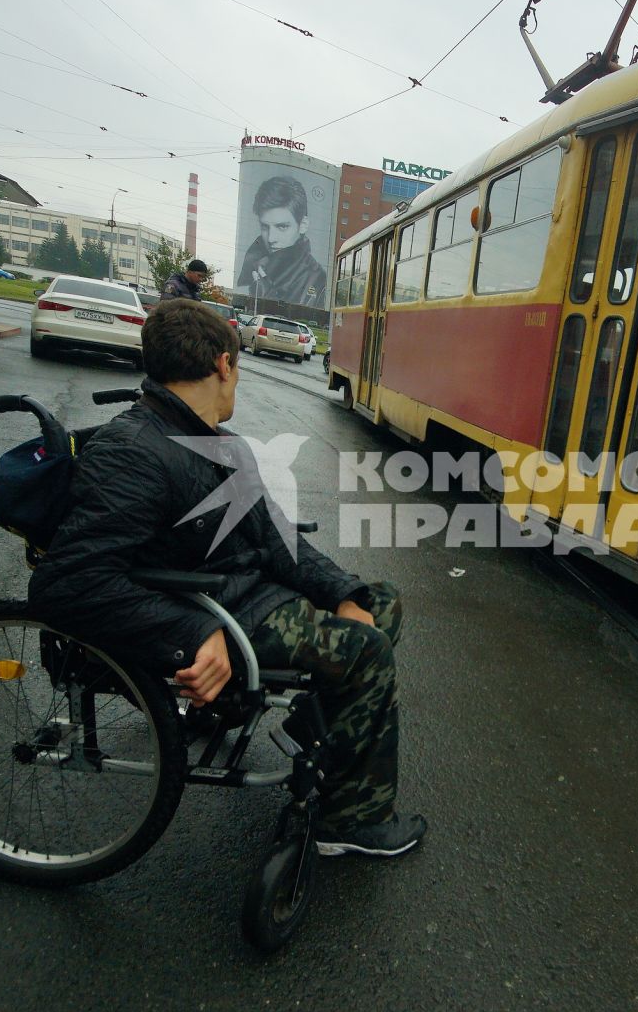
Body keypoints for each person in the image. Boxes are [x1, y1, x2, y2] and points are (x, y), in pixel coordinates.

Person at [27, 298, 426, 858]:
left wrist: (344, 593)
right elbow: (66, 585)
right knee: (368, 652)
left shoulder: (215, 440)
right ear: (223, 364)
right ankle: (348, 823)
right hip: (217, 610)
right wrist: (191, 631)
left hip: (242, 594)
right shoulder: (134, 451)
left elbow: (275, 540)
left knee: (382, 603)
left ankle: (325, 728)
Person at [235, 175, 328, 309]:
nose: (271, 238)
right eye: (265, 227)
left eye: (282, 227)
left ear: (303, 225)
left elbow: (296, 319)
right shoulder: (252, 260)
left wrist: (267, 299)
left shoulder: (314, 277)